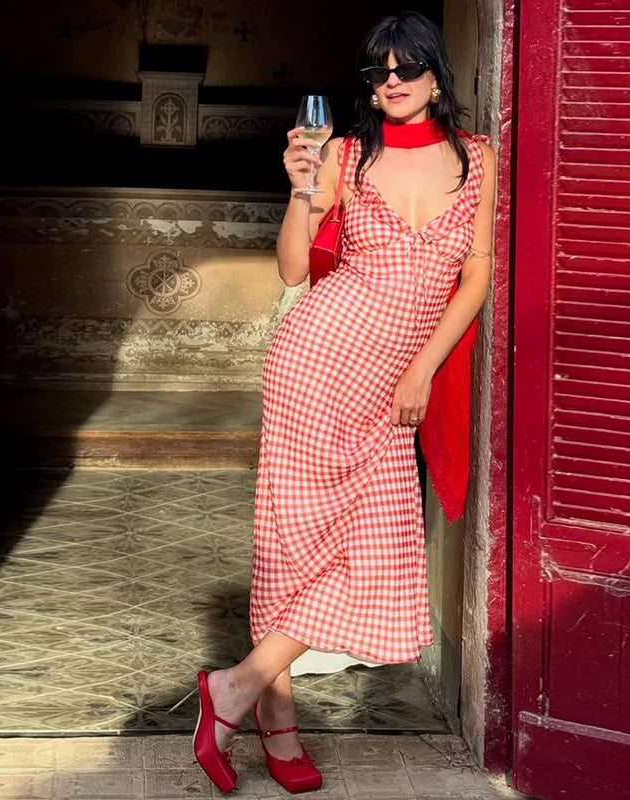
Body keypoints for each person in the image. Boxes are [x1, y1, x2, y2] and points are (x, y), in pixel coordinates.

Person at [192, 10, 495, 795]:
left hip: (395, 377)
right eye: (378, 71)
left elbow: (476, 278)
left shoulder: (479, 160)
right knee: (292, 545)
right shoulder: (347, 154)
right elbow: (295, 271)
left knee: (375, 555)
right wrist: (300, 190)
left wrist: (423, 370)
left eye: (406, 67)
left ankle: (233, 691)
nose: (391, 81)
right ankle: (276, 723)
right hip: (318, 362)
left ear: (436, 74)